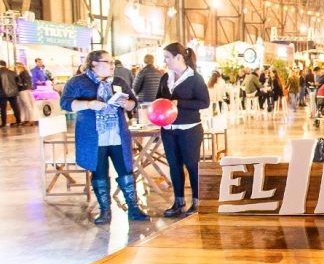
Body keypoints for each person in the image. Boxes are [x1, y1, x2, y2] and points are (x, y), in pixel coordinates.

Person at [59, 50, 149, 224]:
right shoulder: (77, 82)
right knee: (99, 172)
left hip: (117, 134)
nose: (112, 65)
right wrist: (88, 104)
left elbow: (133, 103)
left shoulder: (119, 81)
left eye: (113, 62)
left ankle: (133, 208)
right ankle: (105, 211)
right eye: (108, 62)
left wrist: (127, 103)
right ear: (94, 63)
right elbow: (65, 104)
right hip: (94, 137)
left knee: (126, 170)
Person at [156, 42, 211, 218]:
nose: (165, 60)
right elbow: (158, 99)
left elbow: (204, 102)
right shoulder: (165, 78)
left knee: (192, 165)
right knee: (174, 165)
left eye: (167, 57)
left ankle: (197, 201)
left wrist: (179, 103)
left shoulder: (195, 78)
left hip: (190, 129)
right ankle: (178, 202)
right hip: (168, 129)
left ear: (179, 57)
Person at [0, 60, 22, 127]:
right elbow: (19, 83)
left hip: (2, 93)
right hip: (13, 93)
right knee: (15, 107)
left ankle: (4, 123)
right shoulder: (13, 72)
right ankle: (18, 121)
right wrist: (17, 90)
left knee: (3, 108)